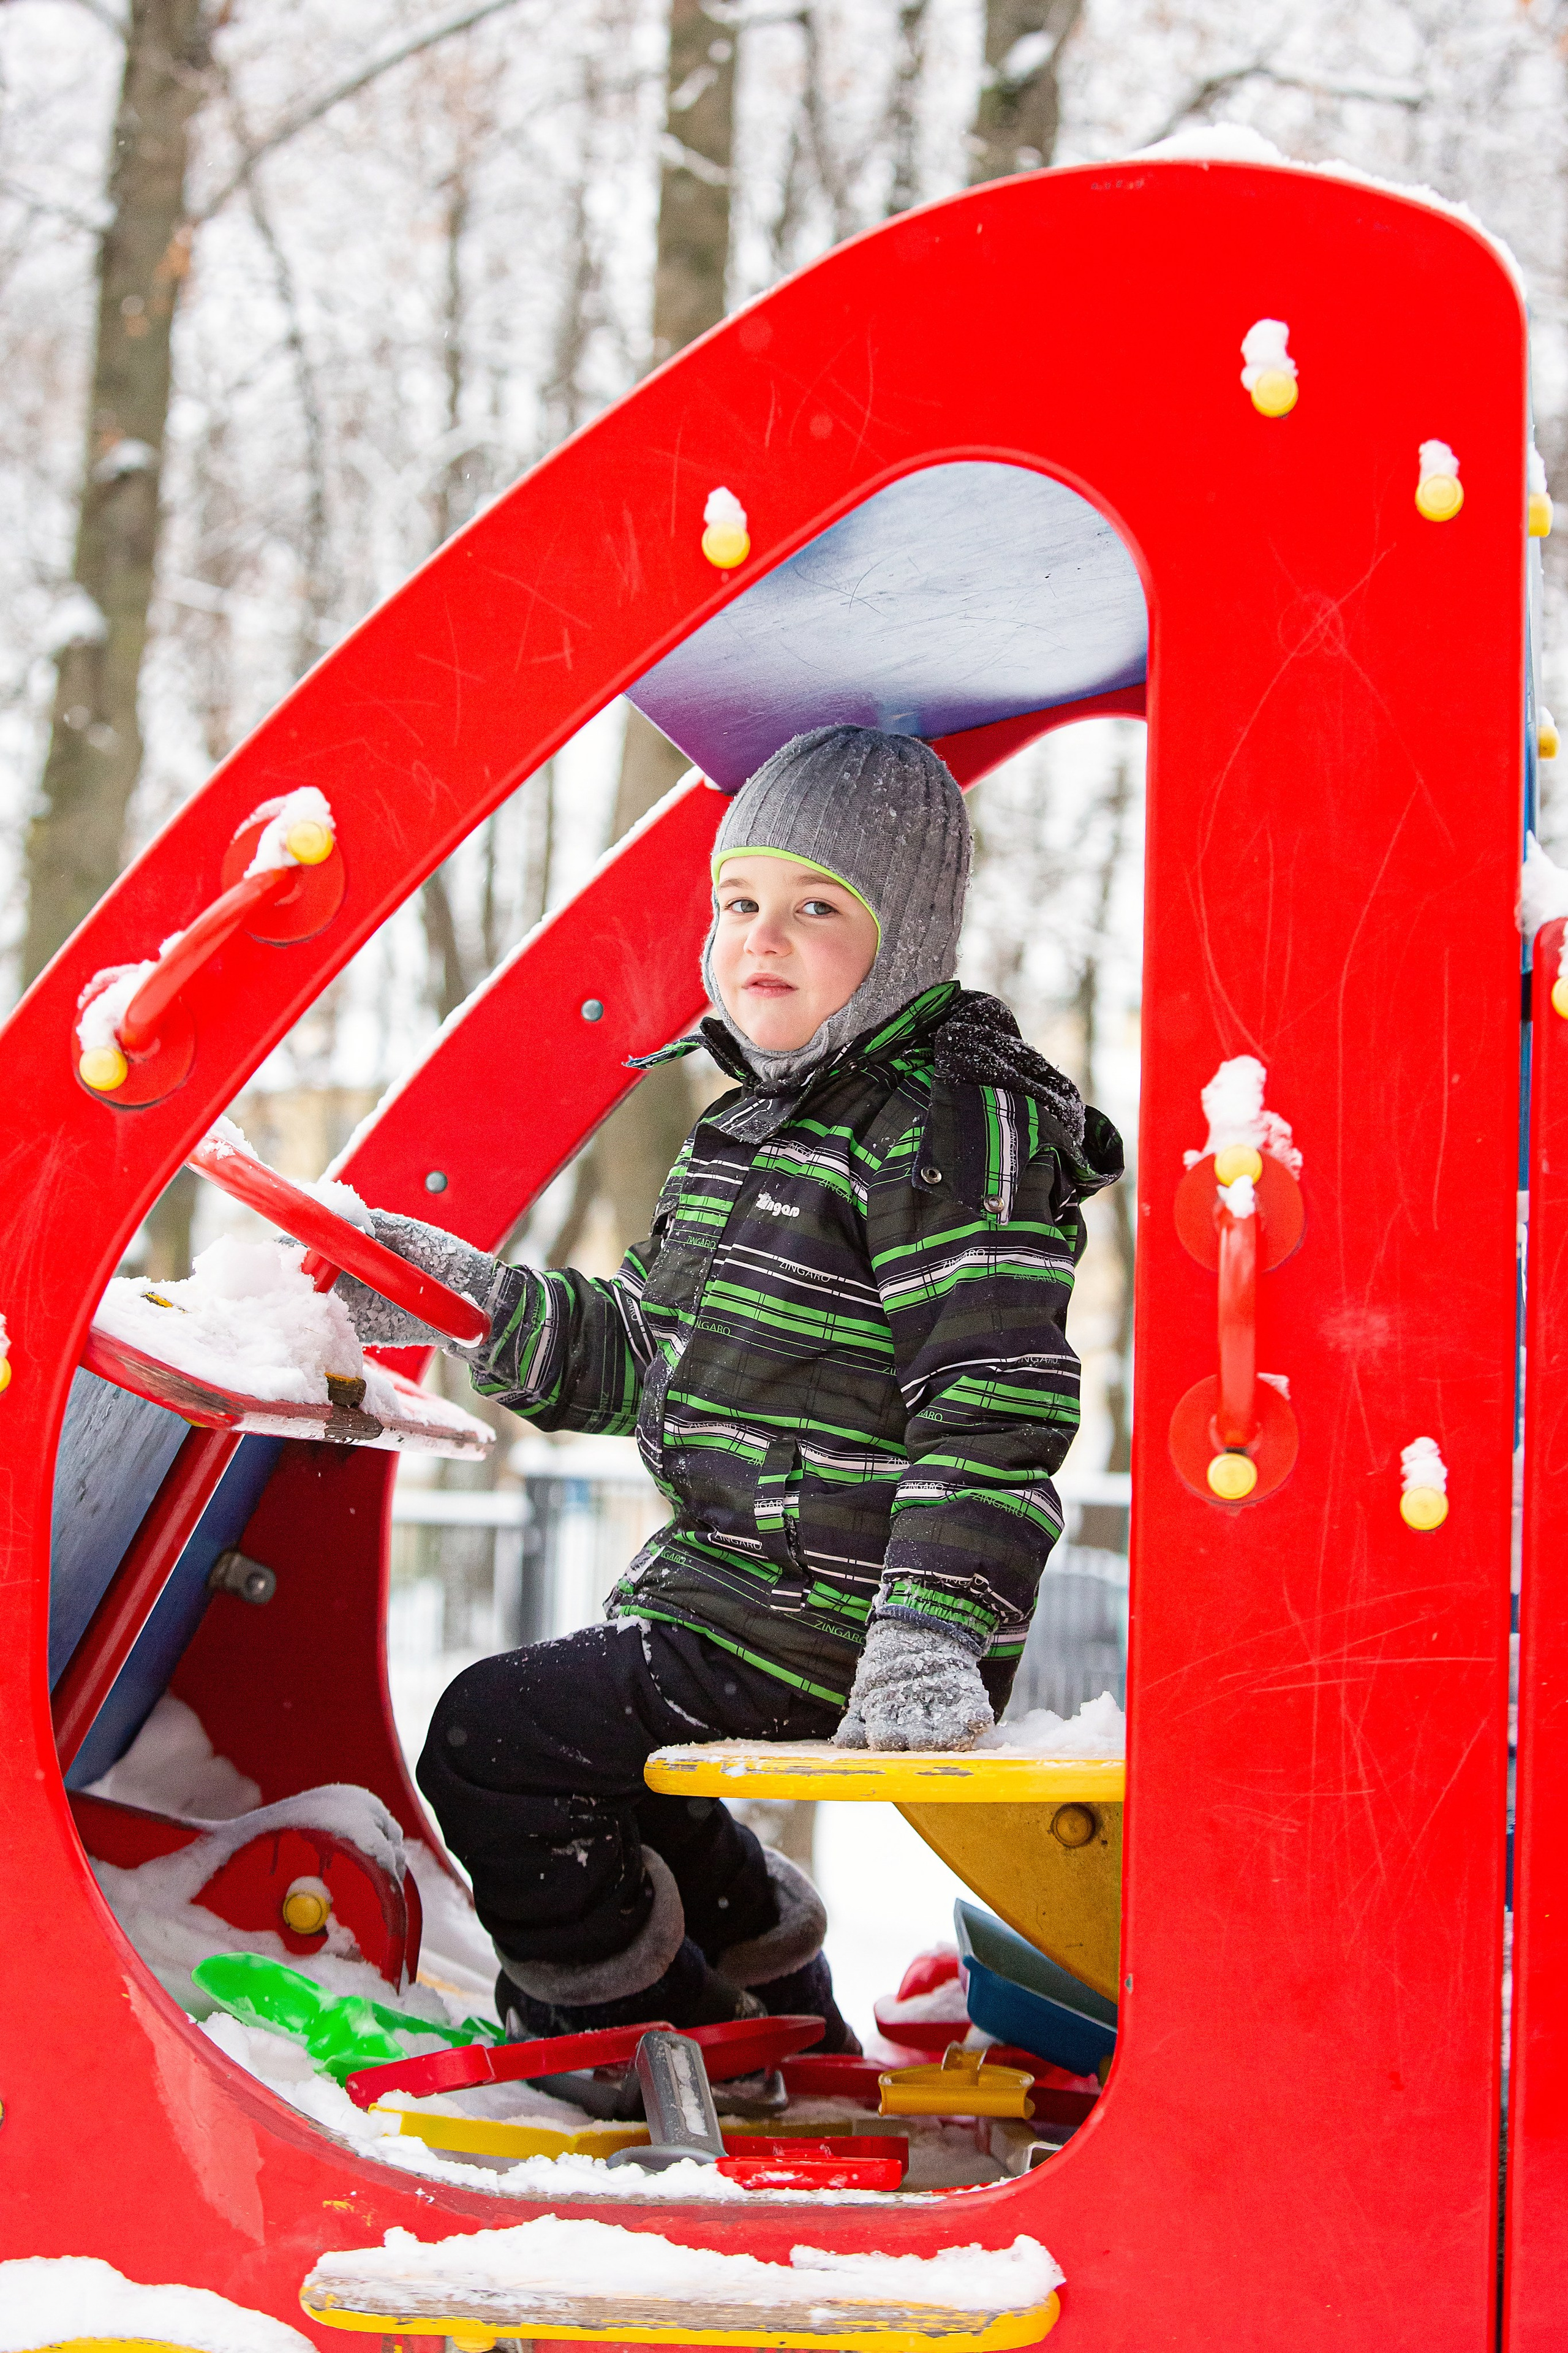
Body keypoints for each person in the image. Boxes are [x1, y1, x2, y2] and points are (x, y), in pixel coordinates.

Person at [337, 724, 1122, 2045]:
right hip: (741, 1597)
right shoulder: (754, 1127)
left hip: (843, 1620)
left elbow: (992, 1393)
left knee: (493, 1737)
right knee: (620, 1781)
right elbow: (648, 1353)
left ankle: (638, 2028)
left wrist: (931, 1625)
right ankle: (779, 2014)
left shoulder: (943, 1123)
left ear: (908, 939)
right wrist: (463, 1299)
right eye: (739, 903)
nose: (763, 938)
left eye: (817, 908)